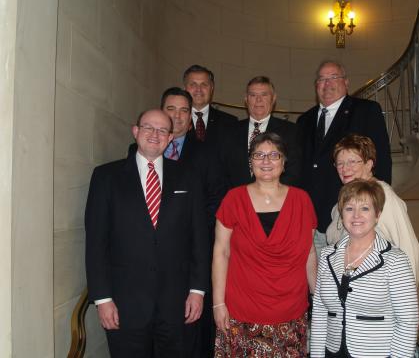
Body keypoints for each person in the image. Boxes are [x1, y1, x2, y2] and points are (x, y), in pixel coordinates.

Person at [85, 109, 210, 357]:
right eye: (148, 127)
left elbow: (200, 238)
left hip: (177, 303)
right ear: (135, 131)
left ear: (170, 137)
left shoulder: (190, 177)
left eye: (163, 129)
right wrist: (102, 299)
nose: (155, 134)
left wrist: (197, 291)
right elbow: (96, 242)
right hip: (124, 305)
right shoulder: (106, 177)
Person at [212, 132, 317, 356]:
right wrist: (218, 303)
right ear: (250, 162)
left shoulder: (302, 201)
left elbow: (309, 252)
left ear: (284, 161)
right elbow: (221, 252)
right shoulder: (233, 198)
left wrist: (318, 297)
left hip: (291, 310)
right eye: (259, 155)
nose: (266, 161)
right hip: (241, 310)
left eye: (273, 155)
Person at [311, 179, 418, 357]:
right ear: (342, 213)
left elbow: (407, 322)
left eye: (365, 208)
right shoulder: (328, 255)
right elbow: (321, 313)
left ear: (377, 214)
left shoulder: (395, 260)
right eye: (349, 208)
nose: (356, 215)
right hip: (332, 351)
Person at [297, 60, 392, 255]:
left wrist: (375, 205)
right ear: (316, 86)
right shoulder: (303, 120)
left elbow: (381, 161)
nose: (327, 83)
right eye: (321, 79)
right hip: (309, 223)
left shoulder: (366, 111)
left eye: (333, 77)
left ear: (346, 82)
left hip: (349, 218)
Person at [161, 86, 226, 357]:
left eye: (184, 111)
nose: (177, 116)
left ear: (191, 118)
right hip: (150, 264)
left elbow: (216, 200)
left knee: (192, 331)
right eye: (170, 109)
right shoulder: (138, 150)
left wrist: (191, 232)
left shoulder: (208, 154)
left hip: (192, 256)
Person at [326, 134, 419, 282]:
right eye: (340, 163)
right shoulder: (342, 201)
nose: (345, 168)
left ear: (369, 165)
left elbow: (408, 247)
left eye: (352, 162)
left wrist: (407, 297)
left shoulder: (383, 195)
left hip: (378, 291)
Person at [223, 76, 301, 188]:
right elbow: (222, 172)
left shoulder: (291, 131)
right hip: (237, 200)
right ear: (246, 99)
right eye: (253, 95)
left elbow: (293, 172)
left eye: (264, 95)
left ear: (273, 99)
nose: (258, 100)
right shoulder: (229, 131)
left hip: (276, 200)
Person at [183, 64, 237, 144]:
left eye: (204, 84)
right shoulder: (174, 120)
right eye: (193, 85)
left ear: (212, 89)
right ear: (185, 88)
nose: (198, 89)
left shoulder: (230, 123)